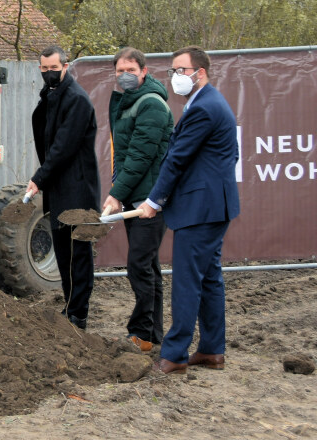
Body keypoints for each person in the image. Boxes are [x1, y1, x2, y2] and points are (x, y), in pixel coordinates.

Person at [139, 46, 240, 374]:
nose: (175, 77)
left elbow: (177, 159)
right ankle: (212, 351)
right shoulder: (209, 102)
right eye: (172, 71)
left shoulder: (204, 108)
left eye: (180, 70)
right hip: (212, 206)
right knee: (209, 278)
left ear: (200, 72)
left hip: (201, 210)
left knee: (186, 281)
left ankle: (174, 355)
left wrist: (153, 202)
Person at [102, 47, 173, 352]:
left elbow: (141, 157)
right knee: (148, 266)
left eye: (131, 70)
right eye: (120, 71)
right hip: (137, 196)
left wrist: (116, 194)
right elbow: (126, 153)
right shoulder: (129, 103)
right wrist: (121, 191)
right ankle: (152, 335)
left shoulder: (152, 105)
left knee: (139, 266)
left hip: (150, 200)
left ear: (144, 71)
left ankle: (141, 332)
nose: (125, 75)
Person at [27, 45, 101, 330]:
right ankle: (70, 306)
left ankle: (78, 314)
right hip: (59, 187)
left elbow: (63, 148)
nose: (49, 74)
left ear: (66, 66)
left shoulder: (77, 99)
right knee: (63, 254)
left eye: (53, 69)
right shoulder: (51, 95)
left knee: (78, 254)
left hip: (77, 189)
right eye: (44, 69)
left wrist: (39, 178)